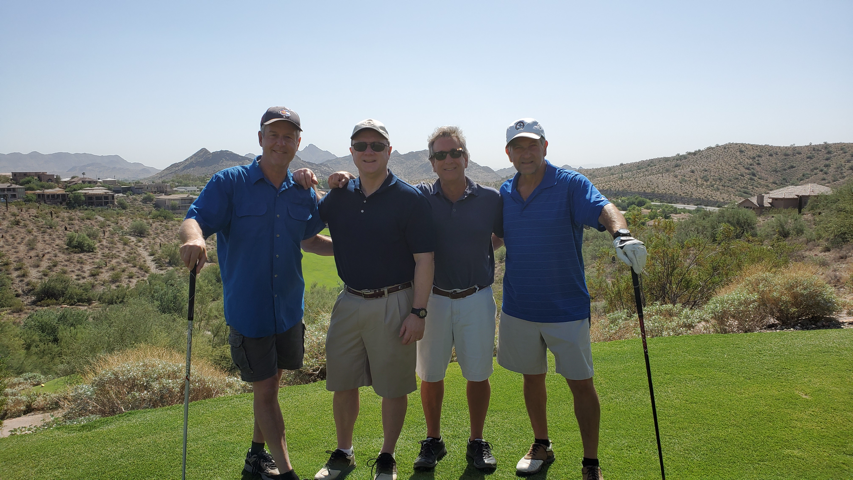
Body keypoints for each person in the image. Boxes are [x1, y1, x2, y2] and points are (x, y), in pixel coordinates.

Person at [326, 126, 504, 472]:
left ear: (466, 157)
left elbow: (500, 235)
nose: (448, 159)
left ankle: (477, 440)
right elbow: (383, 183)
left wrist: (479, 254)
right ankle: (433, 440)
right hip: (433, 297)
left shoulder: (492, 198)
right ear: (431, 162)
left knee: (478, 374)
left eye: (454, 153)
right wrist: (344, 176)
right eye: (440, 155)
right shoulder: (421, 196)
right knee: (430, 374)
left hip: (476, 296)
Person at [180, 106, 332, 480]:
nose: (281, 142)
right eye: (273, 134)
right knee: (265, 390)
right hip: (249, 310)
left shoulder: (302, 191)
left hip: (288, 310)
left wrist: (353, 249)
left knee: (272, 384)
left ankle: (255, 458)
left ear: (298, 142)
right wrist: (195, 238)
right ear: (260, 138)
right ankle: (287, 472)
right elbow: (194, 218)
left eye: (288, 136)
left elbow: (309, 240)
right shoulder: (229, 182)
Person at [495, 118, 647, 480]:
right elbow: (493, 238)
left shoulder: (570, 183)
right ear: (508, 153)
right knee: (532, 379)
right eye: (518, 146)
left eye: (532, 145)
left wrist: (621, 234)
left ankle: (590, 463)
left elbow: (603, 208)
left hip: (566, 308)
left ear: (545, 147)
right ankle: (541, 445)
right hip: (518, 307)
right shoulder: (504, 192)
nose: (526, 152)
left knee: (581, 384)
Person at [313, 119, 435, 480]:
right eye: (361, 145)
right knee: (343, 382)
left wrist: (418, 311)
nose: (369, 152)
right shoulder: (338, 196)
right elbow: (306, 238)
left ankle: (386, 456)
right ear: (351, 151)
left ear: (389, 151)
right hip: (349, 301)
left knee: (393, 386)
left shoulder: (409, 198)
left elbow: (424, 260)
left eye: (376, 146)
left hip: (395, 300)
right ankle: (344, 451)